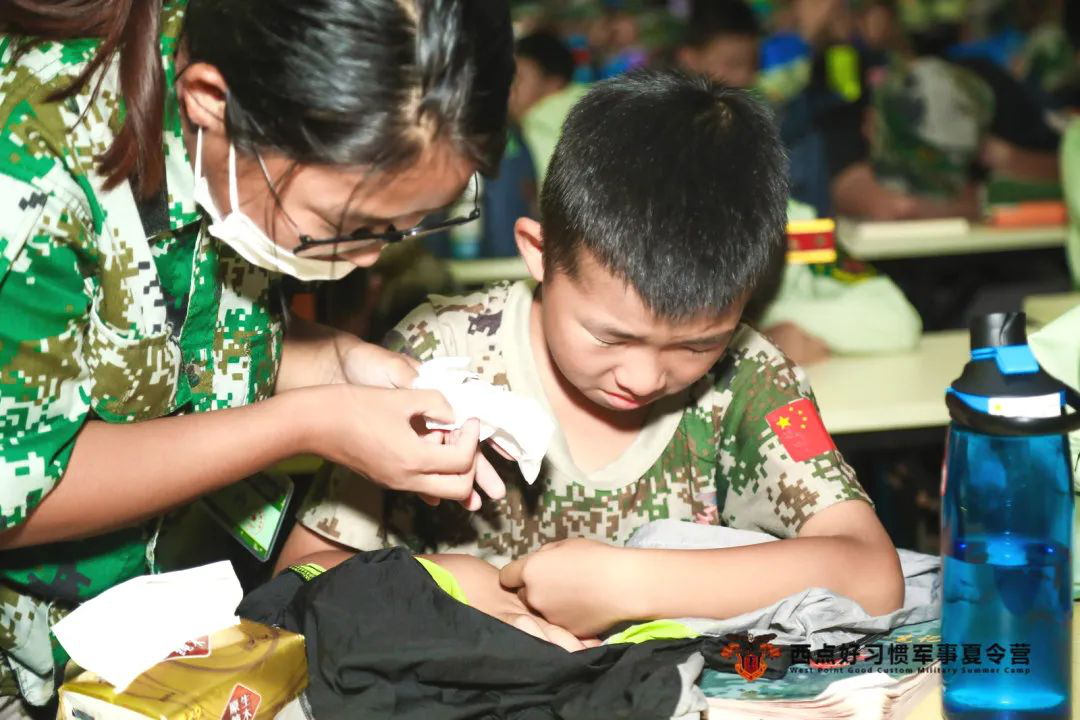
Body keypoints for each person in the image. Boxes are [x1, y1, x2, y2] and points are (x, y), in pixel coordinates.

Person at [0, 0, 515, 713]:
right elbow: (22, 487)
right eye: (345, 228)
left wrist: (343, 364)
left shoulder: (251, 116)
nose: (367, 259)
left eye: (400, 228)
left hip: (152, 639)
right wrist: (309, 423)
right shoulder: (29, 169)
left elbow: (168, 337)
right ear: (211, 101)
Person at [282, 69, 904, 639]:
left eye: (696, 344)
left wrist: (630, 584)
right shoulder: (440, 356)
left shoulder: (748, 376)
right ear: (539, 254)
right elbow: (303, 571)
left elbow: (872, 574)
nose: (641, 377)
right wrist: (453, 589)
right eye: (610, 337)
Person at [510, 31, 590, 187]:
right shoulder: (602, 104)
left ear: (554, 83)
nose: (509, 89)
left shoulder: (536, 125)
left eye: (518, 79)